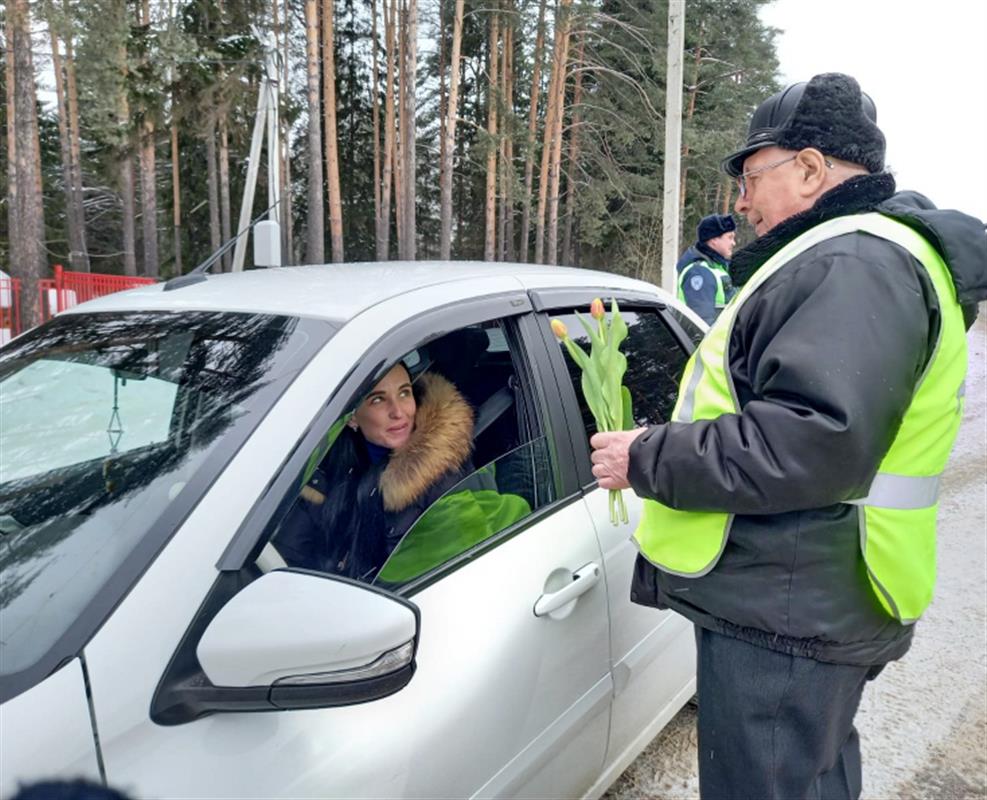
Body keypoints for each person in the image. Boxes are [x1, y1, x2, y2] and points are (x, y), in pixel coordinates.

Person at [589, 72, 987, 799]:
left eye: (748, 177)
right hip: (813, 590)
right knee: (808, 777)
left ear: (808, 169)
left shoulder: (851, 261)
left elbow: (809, 442)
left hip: (792, 601)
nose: (738, 203)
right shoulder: (856, 256)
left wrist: (645, 454)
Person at [275, 360, 528, 584]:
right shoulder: (329, 465)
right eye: (378, 399)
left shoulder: (443, 479)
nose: (398, 412)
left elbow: (473, 573)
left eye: (404, 393)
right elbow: (287, 553)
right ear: (351, 418)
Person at [675, 213, 738, 324]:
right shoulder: (700, 273)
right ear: (713, 240)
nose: (734, 243)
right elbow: (702, 323)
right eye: (730, 237)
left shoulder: (718, 268)